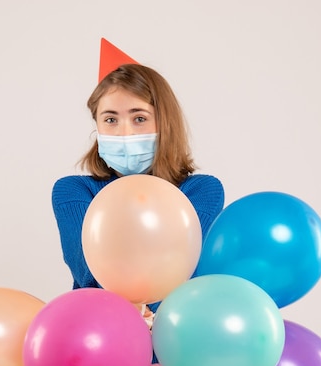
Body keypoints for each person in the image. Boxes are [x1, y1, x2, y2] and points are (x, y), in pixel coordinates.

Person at [51, 63, 224, 317]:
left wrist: (148, 311)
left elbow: (185, 271)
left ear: (165, 123)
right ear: (97, 127)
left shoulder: (200, 191)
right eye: (110, 119)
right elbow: (88, 272)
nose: (124, 132)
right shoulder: (73, 191)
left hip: (179, 342)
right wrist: (132, 312)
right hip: (99, 337)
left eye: (139, 118)